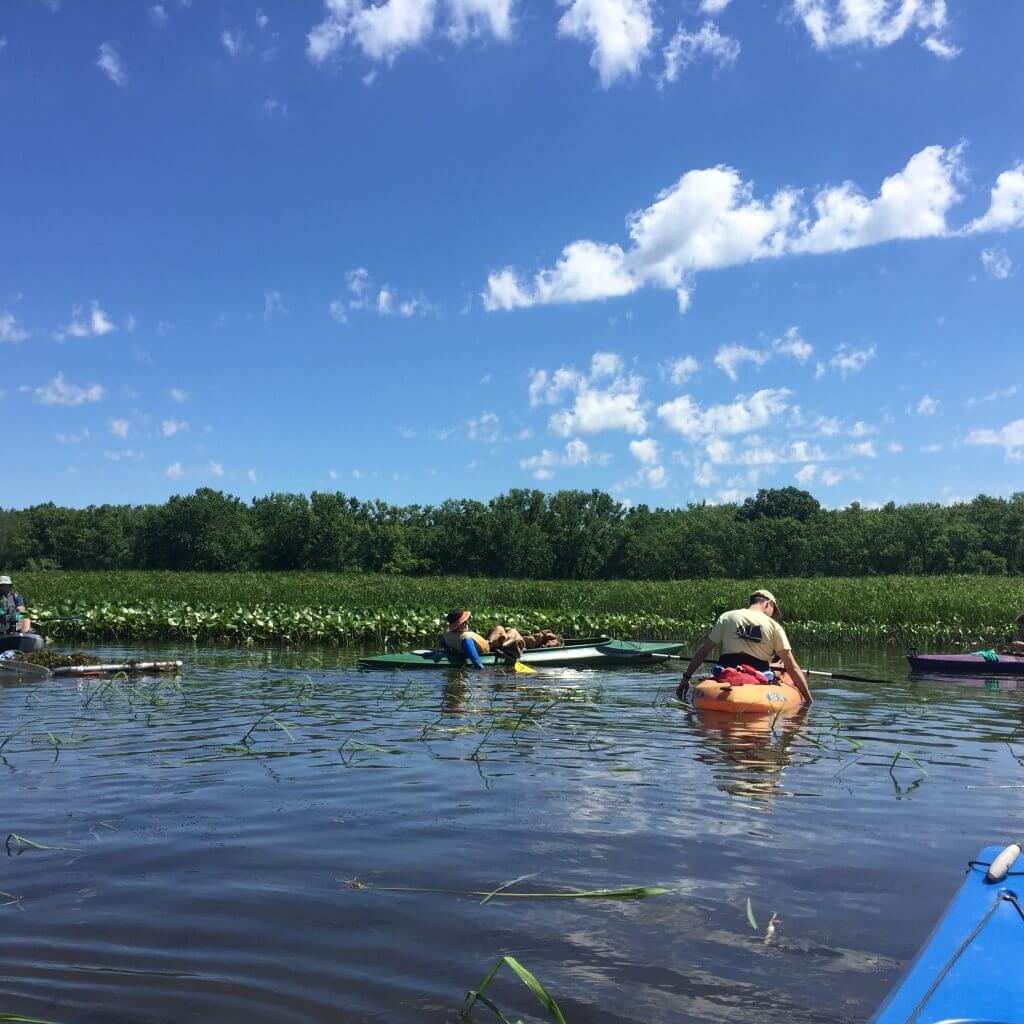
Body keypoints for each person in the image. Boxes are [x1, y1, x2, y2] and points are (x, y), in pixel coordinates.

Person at [676, 589, 812, 705]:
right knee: (776, 670)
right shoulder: (774, 626)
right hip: (758, 674)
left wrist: (686, 677)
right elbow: (792, 667)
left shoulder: (727, 617)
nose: (773, 615)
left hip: (725, 670)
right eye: (773, 610)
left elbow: (704, 650)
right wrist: (809, 701)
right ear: (767, 604)